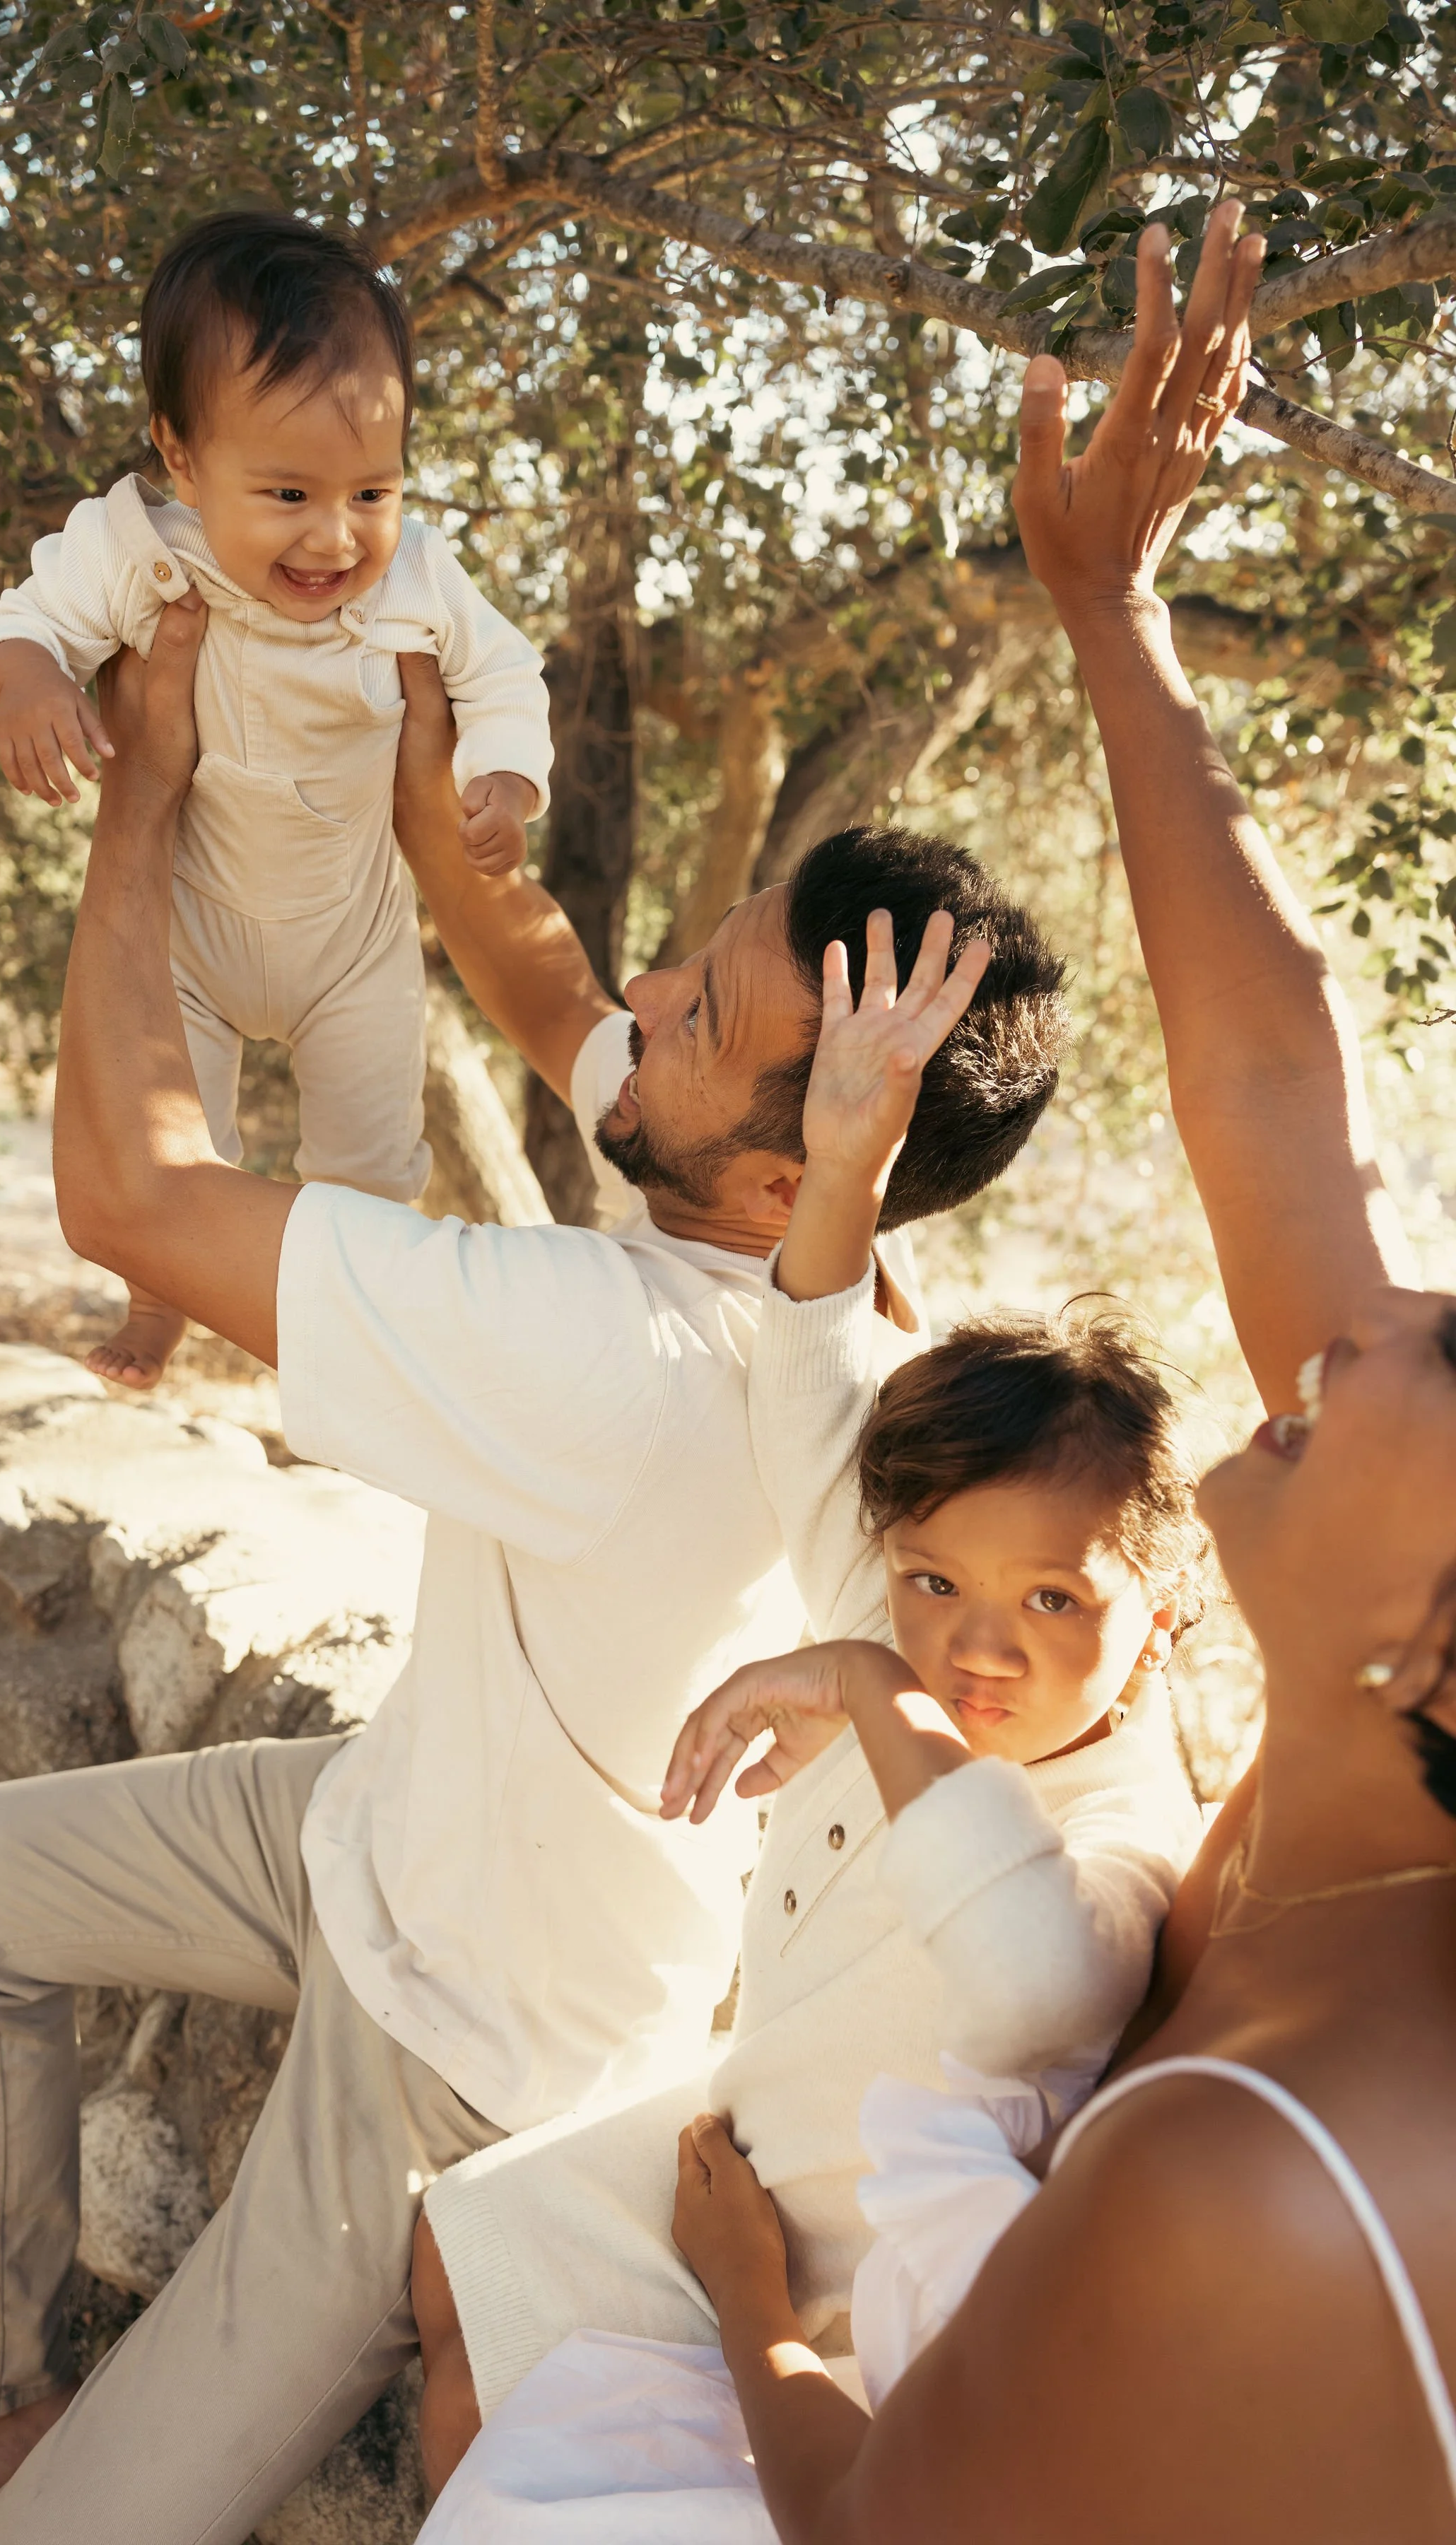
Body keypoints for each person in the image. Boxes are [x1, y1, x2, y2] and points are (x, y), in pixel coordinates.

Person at [0, 487, 1069, 2537]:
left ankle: (27, 2488)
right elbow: (556, 999)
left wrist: (142, 796)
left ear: (796, 1172)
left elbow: (126, 1200)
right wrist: (435, 795)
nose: (655, 988)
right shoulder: (812, 1280)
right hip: (366, 1832)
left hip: (462, 2060)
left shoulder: (615, 1349)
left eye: (699, 1009)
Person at [431, 205, 1456, 2545]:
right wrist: (1115, 616)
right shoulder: (1346, 1763)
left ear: (1438, 1642)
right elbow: (1288, 1104)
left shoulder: (1267, 2161)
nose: (1353, 1308)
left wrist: (758, 2321)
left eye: (1421, 1359)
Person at [410, 925, 1210, 2494]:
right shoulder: (915, 1627)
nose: (978, 1647)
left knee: (519, 2404)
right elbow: (812, 1385)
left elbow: (1028, 1983)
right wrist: (845, 1162)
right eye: (930, 1584)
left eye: (1054, 1601)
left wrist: (858, 1680)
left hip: (848, 2292)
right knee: (452, 2266)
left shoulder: (1121, 1837)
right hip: (747, 2138)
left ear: (1163, 1616)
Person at [0, 211, 554, 1387]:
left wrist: (505, 772)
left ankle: (364, 1341)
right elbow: (13, 624)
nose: (336, 537)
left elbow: (504, 672)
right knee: (178, 1149)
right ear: (181, 458)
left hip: (353, 942)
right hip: (193, 930)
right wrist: (25, 680)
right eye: (286, 492)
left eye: (372, 491)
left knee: (373, 1167)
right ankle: (159, 1303)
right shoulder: (143, 553)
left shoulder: (421, 576)